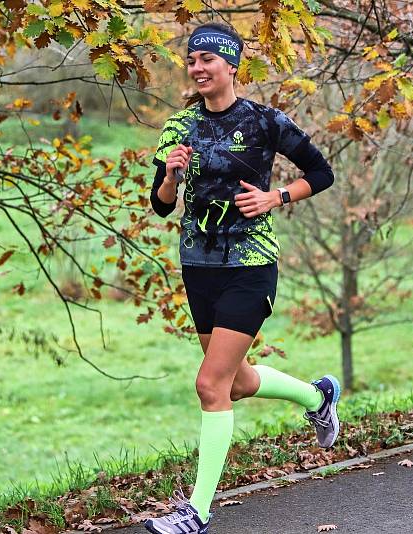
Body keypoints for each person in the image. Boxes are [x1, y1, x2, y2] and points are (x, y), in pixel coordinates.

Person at [144, 22, 340, 534]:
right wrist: (170, 177)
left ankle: (197, 513)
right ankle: (318, 398)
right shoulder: (179, 127)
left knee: (210, 385)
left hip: (251, 265)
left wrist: (277, 197)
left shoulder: (265, 121)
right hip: (199, 266)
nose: (198, 67)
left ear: (232, 65)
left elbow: (321, 172)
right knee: (239, 380)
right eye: (192, 60)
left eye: (208, 58)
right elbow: (160, 207)